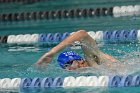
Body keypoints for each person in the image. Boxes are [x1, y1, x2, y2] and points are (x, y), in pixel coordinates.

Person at [36, 30, 119, 70]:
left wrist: (52, 52)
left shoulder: (92, 58)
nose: (69, 68)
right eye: (65, 67)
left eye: (69, 63)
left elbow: (82, 34)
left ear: (79, 60)